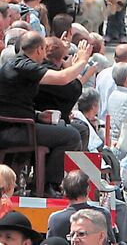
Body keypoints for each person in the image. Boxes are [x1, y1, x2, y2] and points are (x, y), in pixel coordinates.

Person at [0, 32, 90, 196]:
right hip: (15, 131)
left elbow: (13, 103)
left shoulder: (14, 65)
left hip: (18, 125)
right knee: (71, 136)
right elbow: (62, 78)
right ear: (40, 49)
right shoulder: (23, 65)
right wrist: (82, 60)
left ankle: (45, 184)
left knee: (64, 129)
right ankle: (47, 186)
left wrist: (38, 116)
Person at [46, 170, 116, 243]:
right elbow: (111, 241)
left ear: (64, 191)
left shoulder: (55, 219)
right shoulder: (103, 214)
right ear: (88, 189)